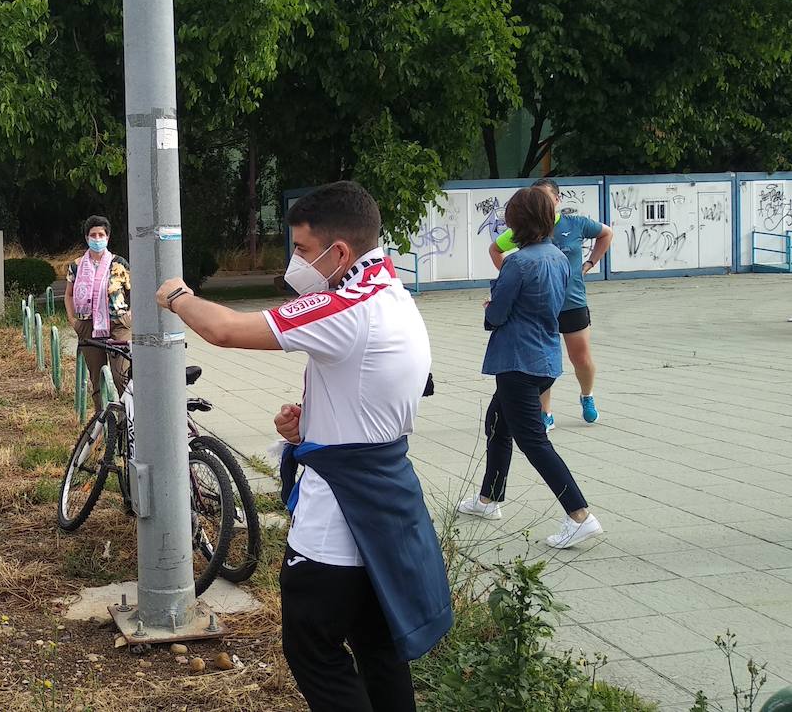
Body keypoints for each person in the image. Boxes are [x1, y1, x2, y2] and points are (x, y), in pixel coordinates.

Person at [157, 181, 450, 712]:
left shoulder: (346, 306)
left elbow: (225, 330)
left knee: (312, 649)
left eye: (302, 250)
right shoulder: (395, 295)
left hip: (339, 511)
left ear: (339, 252)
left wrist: (178, 296)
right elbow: (379, 392)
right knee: (378, 648)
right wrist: (309, 421)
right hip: (387, 499)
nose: (296, 262)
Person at [460, 186, 604, 550]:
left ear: (516, 222)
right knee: (497, 423)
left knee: (533, 440)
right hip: (544, 357)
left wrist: (490, 309)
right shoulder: (558, 257)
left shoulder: (518, 262)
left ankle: (580, 515)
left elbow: (498, 313)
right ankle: (488, 500)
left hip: (517, 359)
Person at [489, 178, 614, 429]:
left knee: (580, 357)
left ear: (557, 200)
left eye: (547, 198)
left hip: (572, 301)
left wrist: (589, 264)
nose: (543, 203)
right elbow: (495, 250)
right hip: (540, 304)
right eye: (538, 198)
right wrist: (515, 281)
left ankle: (586, 395)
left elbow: (606, 233)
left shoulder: (575, 224)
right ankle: (545, 412)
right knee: (543, 360)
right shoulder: (526, 230)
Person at [65, 215, 131, 411]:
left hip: (118, 324)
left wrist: (130, 316)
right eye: (93, 235)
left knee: (121, 377)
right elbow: (68, 295)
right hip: (88, 326)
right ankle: (102, 426)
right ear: (87, 238)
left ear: (107, 237)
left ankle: (128, 424)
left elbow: (134, 292)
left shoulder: (119, 264)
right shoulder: (76, 266)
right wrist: (73, 321)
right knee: (97, 379)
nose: (97, 238)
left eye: (101, 234)